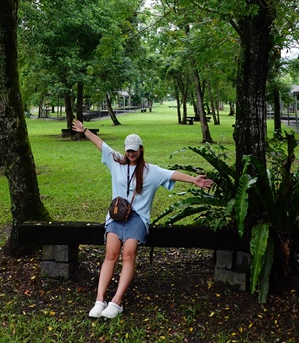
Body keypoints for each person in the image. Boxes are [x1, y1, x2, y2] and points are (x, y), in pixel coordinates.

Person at [71, 119, 213, 319]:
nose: (131, 154)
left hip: (137, 219)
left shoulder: (150, 171)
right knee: (111, 254)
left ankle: (116, 301)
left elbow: (172, 174)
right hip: (116, 216)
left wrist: (194, 180)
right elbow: (100, 144)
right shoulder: (116, 161)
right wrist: (85, 130)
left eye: (134, 150)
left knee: (128, 254)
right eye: (128, 150)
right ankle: (99, 300)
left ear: (141, 149)